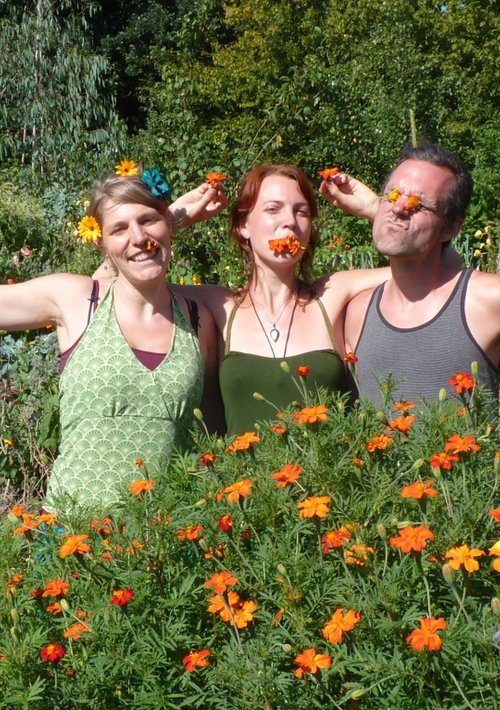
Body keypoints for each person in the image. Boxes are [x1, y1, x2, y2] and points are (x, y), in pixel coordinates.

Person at [0, 166, 225, 511]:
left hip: (166, 533)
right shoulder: (79, 300)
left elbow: (211, 430)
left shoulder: (197, 320)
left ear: (168, 224)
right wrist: (162, 226)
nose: (139, 236)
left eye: (149, 220)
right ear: (102, 244)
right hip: (71, 532)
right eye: (119, 228)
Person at [176, 164, 392, 435]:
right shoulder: (220, 306)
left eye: (301, 211)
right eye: (273, 209)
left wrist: (375, 210)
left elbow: (428, 270)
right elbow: (127, 283)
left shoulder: (331, 294)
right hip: (240, 464)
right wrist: (173, 220)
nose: (290, 220)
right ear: (243, 226)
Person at [320, 141, 500, 405]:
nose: (398, 208)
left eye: (418, 205)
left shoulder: (486, 300)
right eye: (392, 196)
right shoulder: (358, 313)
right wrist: (378, 210)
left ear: (451, 228)